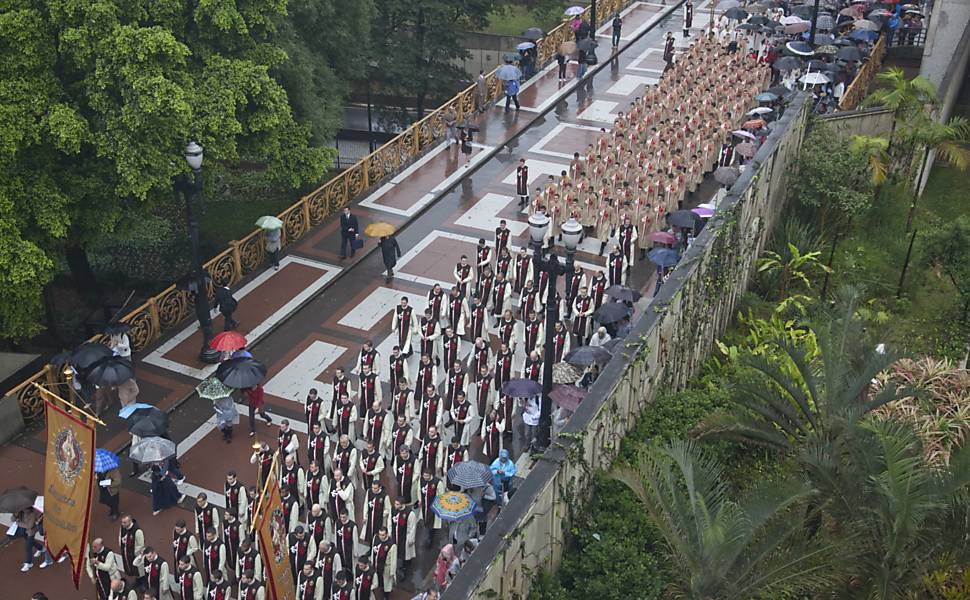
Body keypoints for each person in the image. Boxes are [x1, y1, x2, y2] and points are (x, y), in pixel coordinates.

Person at [8, 507, 53, 572]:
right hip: (22, 531)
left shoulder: (33, 513)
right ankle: (41, 548)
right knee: (30, 542)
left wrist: (18, 523)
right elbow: (12, 520)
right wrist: (15, 514)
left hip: (30, 531)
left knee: (28, 546)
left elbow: (30, 526)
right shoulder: (19, 511)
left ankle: (28, 563)